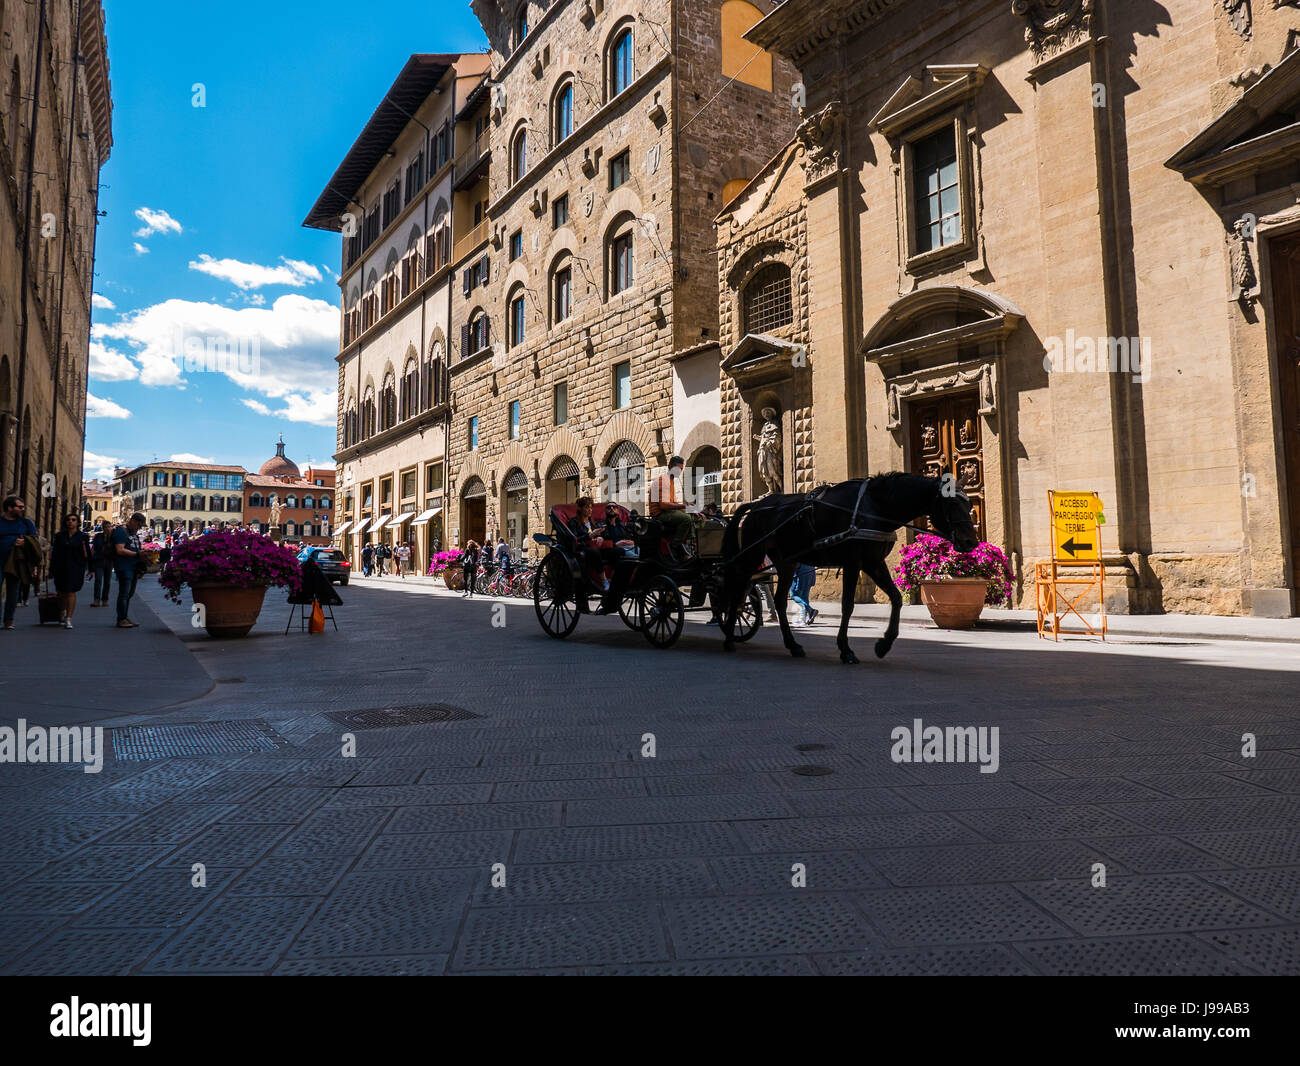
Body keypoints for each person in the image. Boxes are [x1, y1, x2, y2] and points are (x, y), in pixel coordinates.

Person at [0, 496, 38, 630]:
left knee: (12, 592)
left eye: (23, 506)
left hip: (16, 561)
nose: (23, 509)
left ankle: (8, 620)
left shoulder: (26, 523)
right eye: (20, 507)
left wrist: (25, 541)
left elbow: (35, 540)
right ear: (10, 508)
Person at [51, 512, 91, 629]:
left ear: (78, 522)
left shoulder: (83, 537)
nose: (71, 522)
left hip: (76, 567)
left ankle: (68, 618)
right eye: (68, 520)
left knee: (71, 592)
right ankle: (62, 613)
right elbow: (55, 553)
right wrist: (52, 568)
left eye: (73, 520)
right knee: (61, 593)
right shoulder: (59, 536)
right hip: (61, 567)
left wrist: (91, 569)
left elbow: (87, 552)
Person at [650, 456, 694, 560]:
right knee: (686, 519)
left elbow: (673, 503)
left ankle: (688, 546)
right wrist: (684, 506)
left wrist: (689, 510)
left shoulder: (670, 481)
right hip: (659, 514)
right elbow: (664, 505)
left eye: (681, 469)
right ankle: (675, 546)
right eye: (677, 468)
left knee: (693, 517)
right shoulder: (664, 481)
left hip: (666, 512)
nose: (679, 471)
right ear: (669, 466)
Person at [111, 511, 148, 629]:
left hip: (133, 567)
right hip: (124, 566)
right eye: (139, 525)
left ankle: (124, 617)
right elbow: (119, 550)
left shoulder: (132, 533)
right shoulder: (121, 531)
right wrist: (137, 555)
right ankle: (121, 619)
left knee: (129, 594)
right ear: (133, 521)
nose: (139, 528)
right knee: (124, 593)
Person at [790, 563, 819, 627]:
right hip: (811, 570)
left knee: (793, 594)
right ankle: (802, 620)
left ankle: (811, 610)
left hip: (801, 571)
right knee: (804, 597)